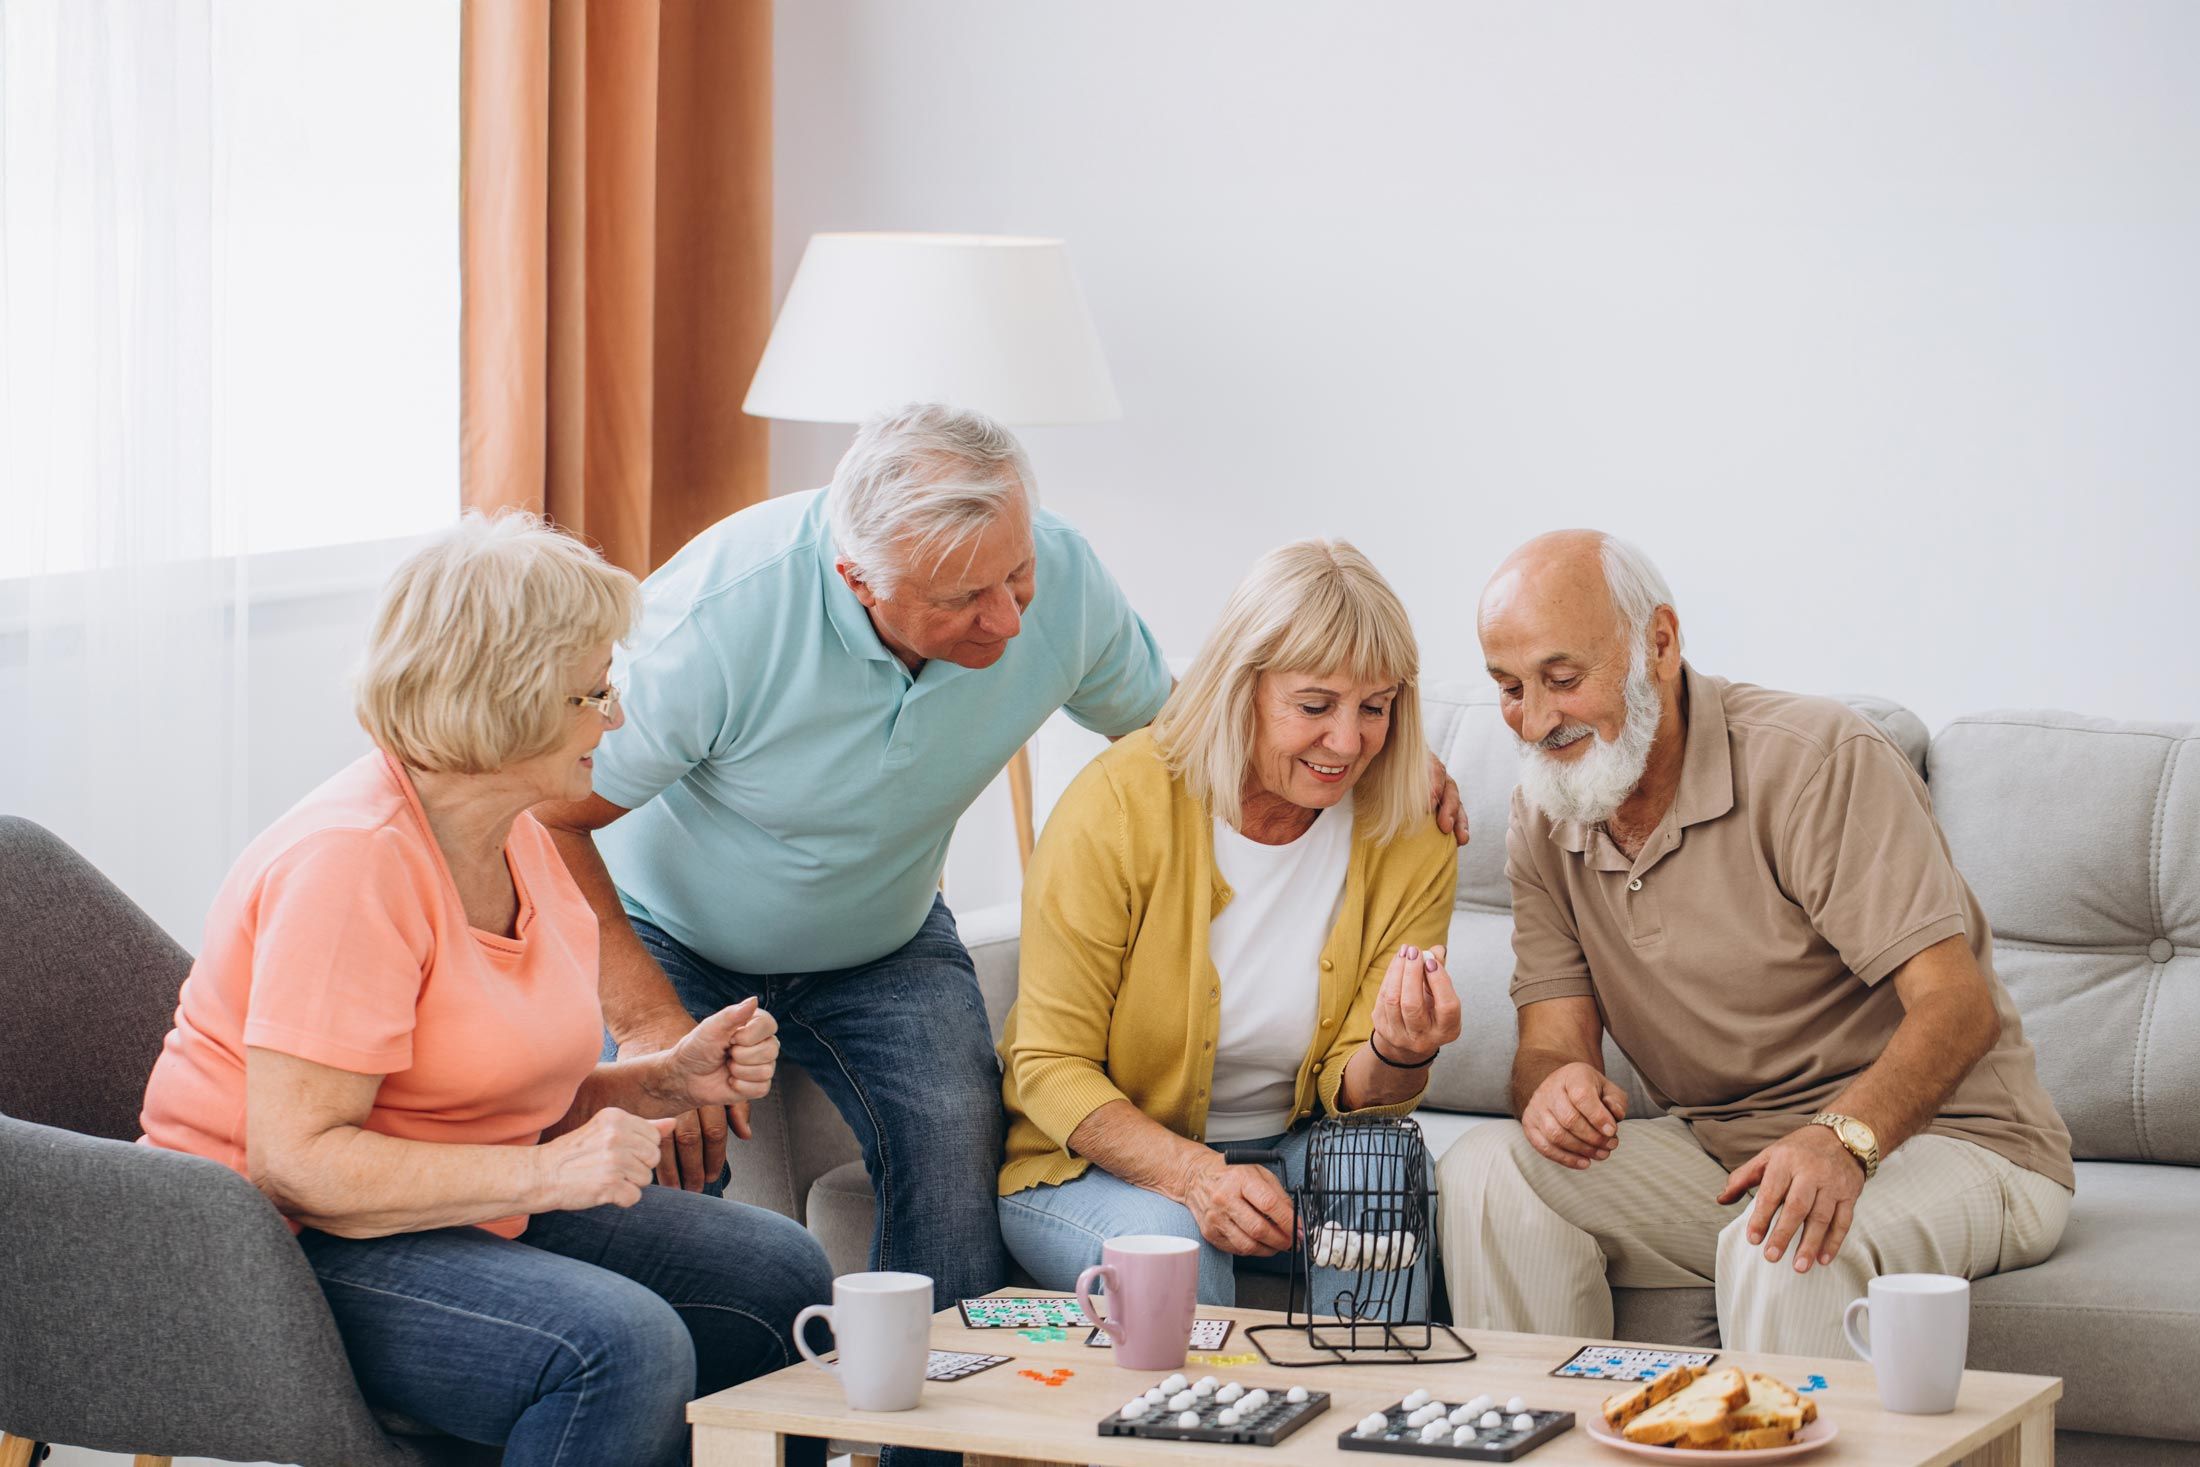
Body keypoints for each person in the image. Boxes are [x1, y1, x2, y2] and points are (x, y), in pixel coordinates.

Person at [534, 406, 1474, 1329]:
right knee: (671, 1171)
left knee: (952, 1156)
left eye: (1016, 575)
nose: (1010, 619)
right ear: (860, 578)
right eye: (964, 600)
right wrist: (653, 1020)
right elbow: (551, 816)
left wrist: (1367, 754)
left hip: (882, 938)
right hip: (674, 934)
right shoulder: (720, 619)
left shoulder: (1058, 583)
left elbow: (1187, 738)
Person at [139, 512, 832, 1467]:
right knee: (616, 1346)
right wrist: (549, 1173)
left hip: (448, 1197)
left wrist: (665, 1081)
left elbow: (485, 1099)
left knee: (781, 1275)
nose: (617, 718)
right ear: (506, 705)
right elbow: (298, 1161)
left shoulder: (520, 836)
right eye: (594, 693)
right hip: (272, 1247)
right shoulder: (352, 864)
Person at [1436, 529, 2074, 1358]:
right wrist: (1554, 1089)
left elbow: (1958, 1005)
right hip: (1727, 1151)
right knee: (1488, 1170)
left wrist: (1841, 1138)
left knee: (1787, 1239)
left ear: (1658, 644)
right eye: (1509, 687)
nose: (1537, 719)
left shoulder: (1809, 761)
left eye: (1563, 678)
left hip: (1952, 1141)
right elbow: (1552, 1044)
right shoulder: (1547, 809)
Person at [997, 539, 1462, 1314]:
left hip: (1292, 1146)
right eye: (1314, 706)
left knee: (1381, 1166)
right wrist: (1197, 1176)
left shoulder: (1410, 830)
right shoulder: (1117, 804)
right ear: (1240, 686)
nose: (1347, 742)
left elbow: (1365, 1096)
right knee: (1177, 1245)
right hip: (1098, 1171)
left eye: (1374, 708)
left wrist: (1399, 1052)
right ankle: (1209, 1433)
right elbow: (1048, 1064)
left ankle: (1371, 1420)